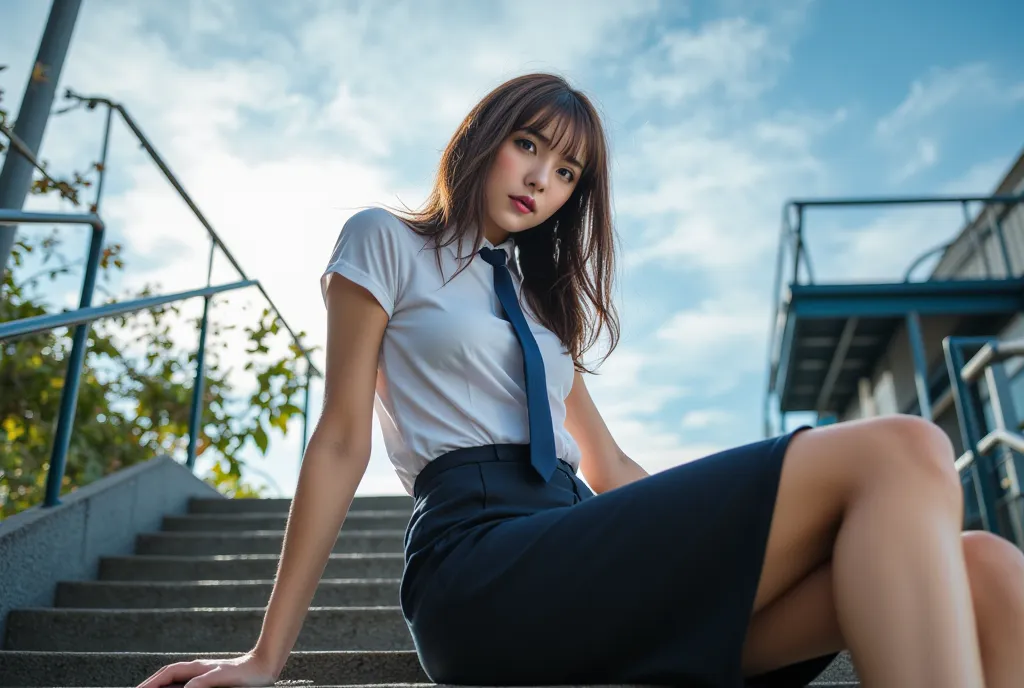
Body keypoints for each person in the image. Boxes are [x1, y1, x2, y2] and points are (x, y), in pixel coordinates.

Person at [137, 73, 1024, 688]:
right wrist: (267, 654)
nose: (544, 181)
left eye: (568, 174)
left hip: (581, 548)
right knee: (910, 443)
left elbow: (607, 467)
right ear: (484, 138)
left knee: (984, 564)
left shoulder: (539, 304)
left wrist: (711, 525)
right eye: (530, 146)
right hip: (479, 566)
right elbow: (339, 441)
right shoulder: (383, 242)